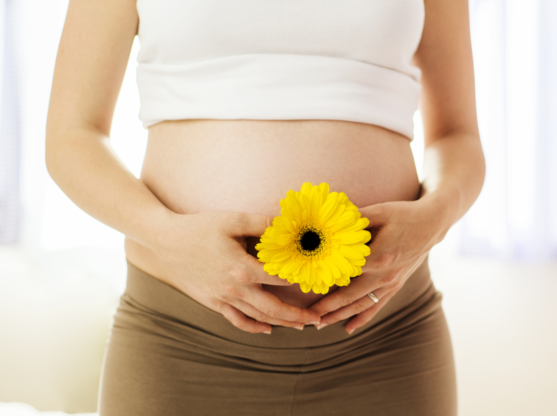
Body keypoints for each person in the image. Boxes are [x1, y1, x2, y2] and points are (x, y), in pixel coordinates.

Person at [45, 0, 485, 414]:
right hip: (181, 340)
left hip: (386, 340)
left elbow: (457, 135)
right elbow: (72, 138)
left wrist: (435, 218)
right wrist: (166, 235)